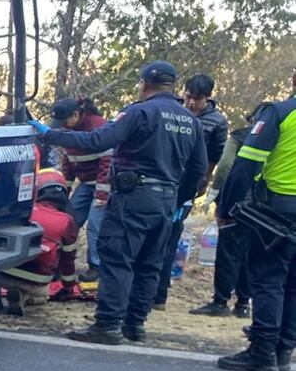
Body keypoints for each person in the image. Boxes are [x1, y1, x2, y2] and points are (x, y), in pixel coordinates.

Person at [31, 61, 207, 344]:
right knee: (150, 264)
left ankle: (108, 324)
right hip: (166, 200)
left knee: (118, 259)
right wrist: (179, 198)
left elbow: (99, 140)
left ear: (144, 84)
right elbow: (199, 170)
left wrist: (50, 135)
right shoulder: (191, 121)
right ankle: (135, 325)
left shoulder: (139, 112)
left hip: (133, 197)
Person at [216, 93, 296, 371]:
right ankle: (283, 351)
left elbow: (245, 164)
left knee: (268, 279)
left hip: (277, 210)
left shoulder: (279, 112)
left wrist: (225, 206)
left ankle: (262, 351)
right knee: (293, 284)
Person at [152, 74, 228, 310]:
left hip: (186, 189)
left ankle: (159, 295)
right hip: (159, 181)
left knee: (169, 236)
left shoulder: (217, 121)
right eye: (189, 97)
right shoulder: (171, 110)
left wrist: (201, 184)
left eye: (198, 99)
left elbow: (215, 157)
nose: (192, 103)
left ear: (208, 98)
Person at [190, 103, 270, 318]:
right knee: (250, 255)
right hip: (265, 207)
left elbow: (224, 167)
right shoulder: (279, 138)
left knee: (228, 254)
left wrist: (215, 194)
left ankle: (220, 302)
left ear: (252, 118)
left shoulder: (239, 137)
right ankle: (243, 304)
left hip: (238, 203)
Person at [0, 169, 80, 315]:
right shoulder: (67, 221)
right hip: (37, 281)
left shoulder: (19, 209)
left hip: (2, 274)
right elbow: (68, 260)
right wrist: (68, 287)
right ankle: (25, 296)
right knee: (41, 297)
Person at [49, 97, 111, 284]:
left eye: (65, 121)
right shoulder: (69, 132)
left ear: (76, 114)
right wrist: (62, 193)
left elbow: (107, 163)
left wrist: (102, 195)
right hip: (85, 183)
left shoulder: (98, 127)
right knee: (70, 219)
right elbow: (67, 163)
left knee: (95, 223)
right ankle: (61, 263)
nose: (63, 127)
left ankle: (97, 266)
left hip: (104, 183)